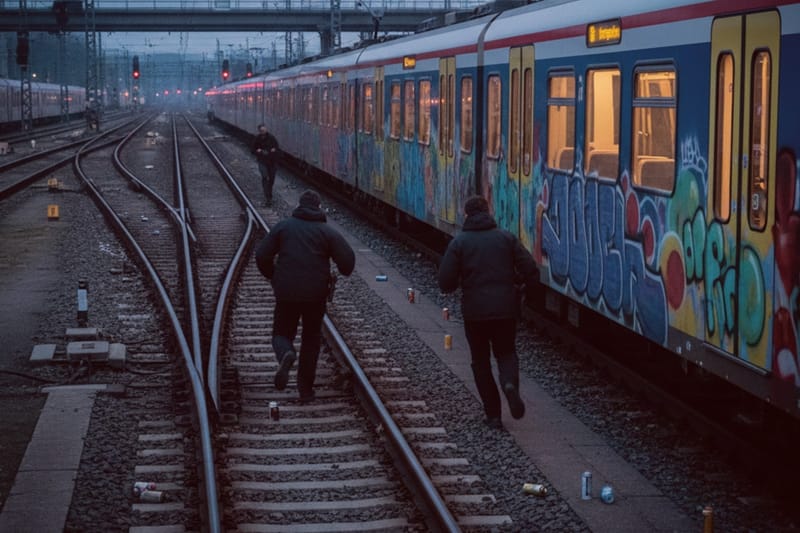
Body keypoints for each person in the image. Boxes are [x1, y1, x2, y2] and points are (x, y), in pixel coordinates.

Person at [437, 195, 539, 430]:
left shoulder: (459, 242)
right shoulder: (506, 238)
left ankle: (493, 415)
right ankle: (509, 385)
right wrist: (525, 293)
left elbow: (445, 281)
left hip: (475, 313)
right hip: (505, 310)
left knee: (480, 362)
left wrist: (459, 284)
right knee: (506, 353)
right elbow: (531, 270)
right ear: (488, 211)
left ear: (466, 215)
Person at [255, 190, 356, 402]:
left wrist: (273, 275)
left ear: (299, 206)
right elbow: (347, 263)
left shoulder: (283, 227)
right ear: (318, 207)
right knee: (311, 339)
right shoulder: (326, 232)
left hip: (286, 292)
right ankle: (306, 390)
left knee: (281, 333)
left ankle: (285, 354)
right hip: (315, 295)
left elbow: (262, 254)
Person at [250, 124, 280, 205]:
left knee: (272, 179)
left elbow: (277, 148)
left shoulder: (272, 138)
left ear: (266, 130)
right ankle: (268, 196)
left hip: (272, 162)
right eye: (261, 131)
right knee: (265, 177)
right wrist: (258, 151)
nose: (263, 132)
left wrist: (274, 150)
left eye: (264, 130)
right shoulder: (257, 139)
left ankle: (269, 192)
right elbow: (252, 149)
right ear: (259, 131)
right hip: (262, 161)